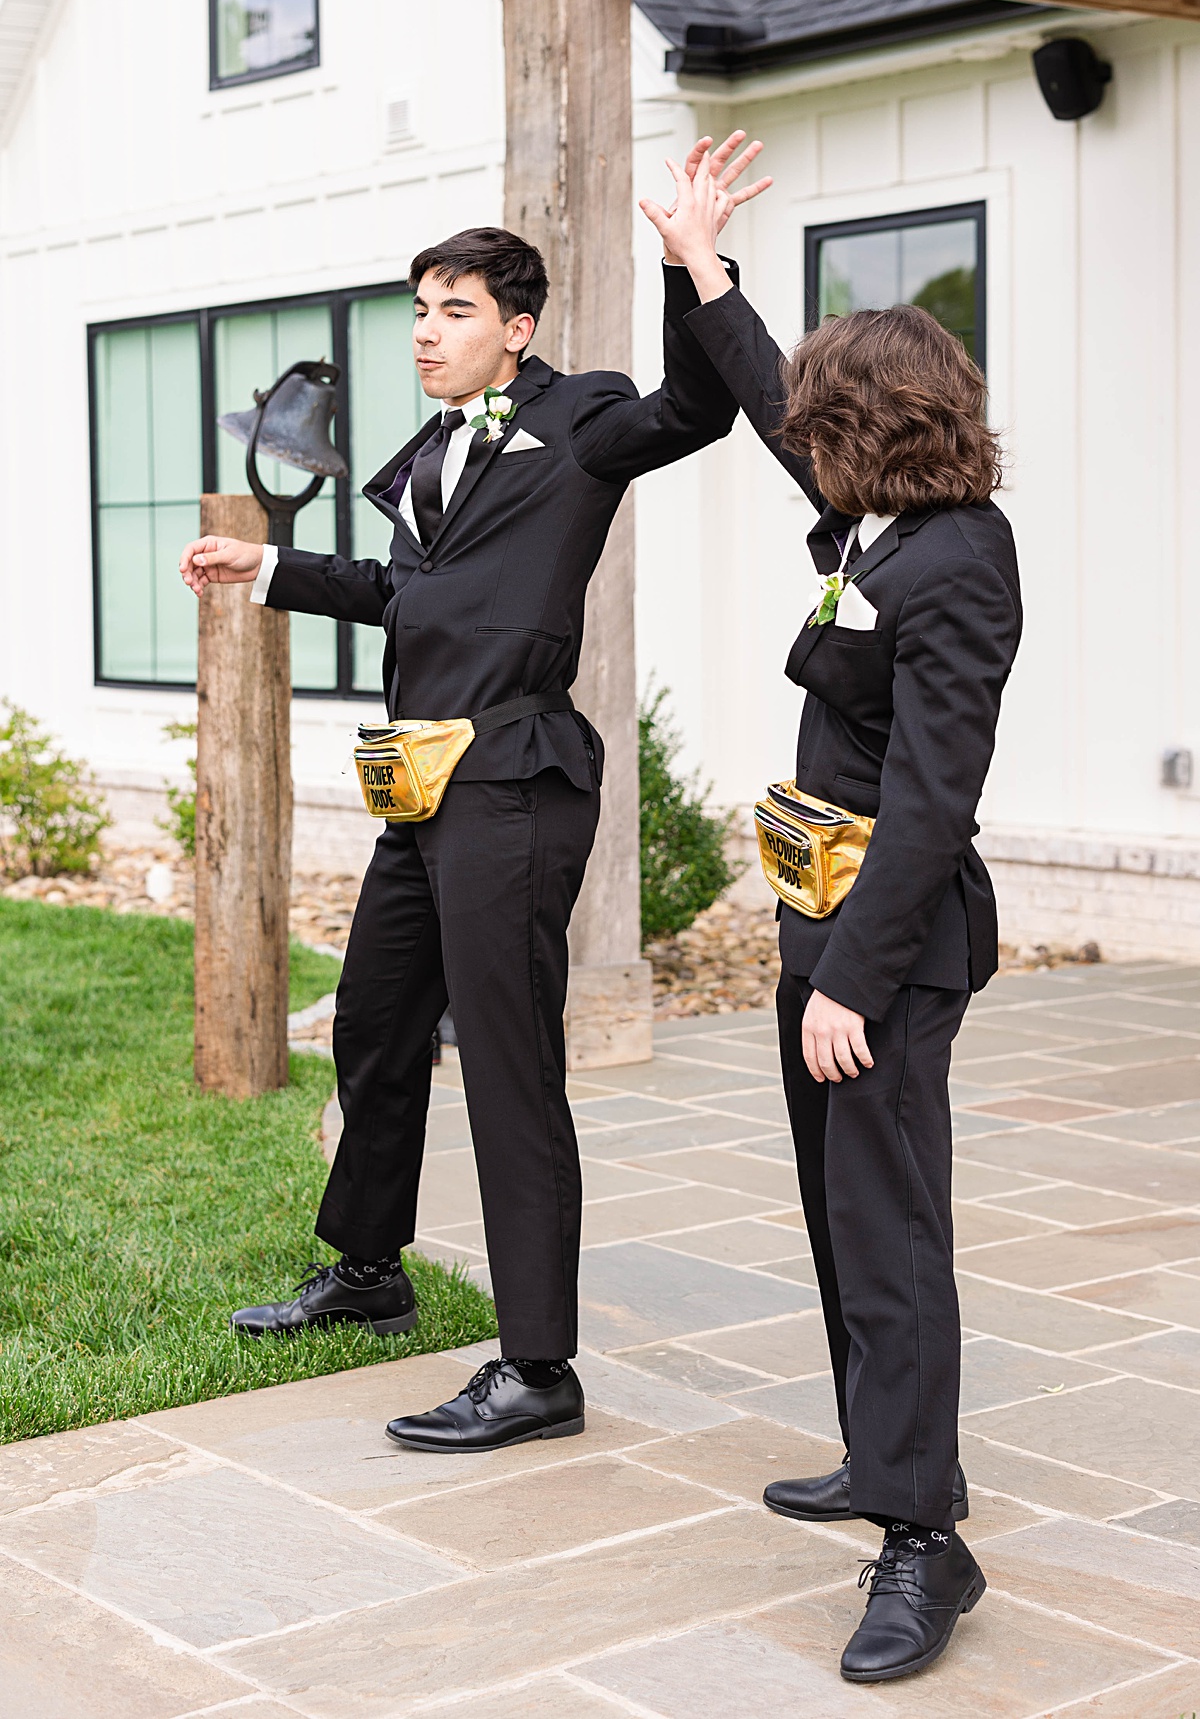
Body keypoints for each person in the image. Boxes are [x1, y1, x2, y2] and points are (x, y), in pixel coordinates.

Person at [178, 161, 769, 1454]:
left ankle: (539, 1367)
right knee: (379, 1027)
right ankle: (370, 1268)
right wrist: (267, 566)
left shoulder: (583, 422)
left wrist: (691, 265)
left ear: (519, 326)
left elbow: (701, 408)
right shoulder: (434, 456)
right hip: (423, 789)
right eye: (418, 312)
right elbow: (412, 594)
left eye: (451, 310)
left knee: (508, 1071)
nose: (425, 333)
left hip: (516, 784)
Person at [639, 149, 1021, 1683]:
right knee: (837, 1223)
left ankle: (926, 1546)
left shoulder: (957, 563)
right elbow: (750, 399)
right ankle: (882, 1457)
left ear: (874, 427)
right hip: (827, 926)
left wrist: (850, 982)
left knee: (891, 1236)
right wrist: (702, 266)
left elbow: (935, 802)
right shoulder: (875, 520)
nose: (801, 430)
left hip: (892, 948)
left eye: (822, 413)